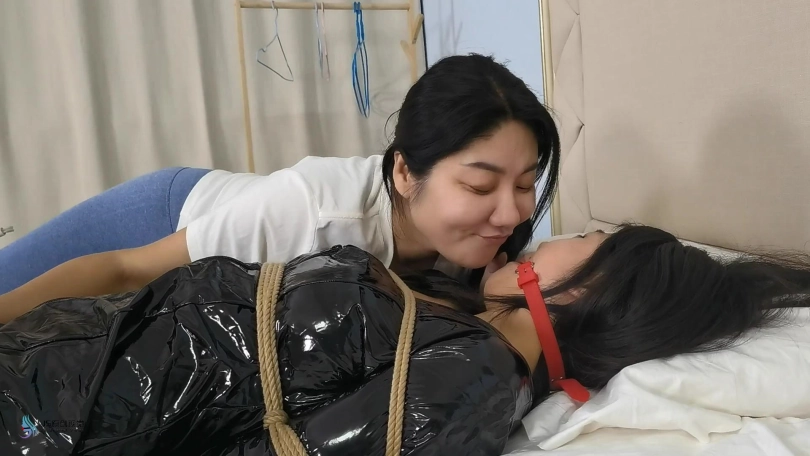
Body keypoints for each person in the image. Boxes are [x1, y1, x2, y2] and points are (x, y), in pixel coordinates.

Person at [2, 223, 809, 454]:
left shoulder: (474, 381)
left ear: (588, 290)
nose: (549, 234)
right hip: (63, 354)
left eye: (586, 239)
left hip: (53, 414)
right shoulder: (461, 329)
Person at [0, 53, 561, 324]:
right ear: (404, 173)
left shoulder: (481, 254)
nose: (509, 213)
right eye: (479, 186)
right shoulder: (319, 214)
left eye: (526, 182)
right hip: (160, 221)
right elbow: (126, 269)